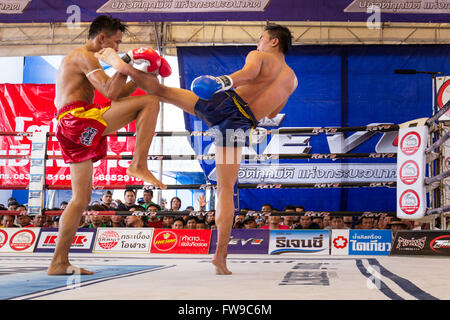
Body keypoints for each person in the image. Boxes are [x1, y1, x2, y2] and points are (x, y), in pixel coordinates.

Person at [96, 24, 297, 275]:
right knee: (225, 190)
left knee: (160, 91)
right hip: (241, 124)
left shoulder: (260, 56)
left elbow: (247, 73)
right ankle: (220, 257)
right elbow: (273, 112)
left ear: (274, 42)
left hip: (225, 103)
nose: (258, 43)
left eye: (262, 39)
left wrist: (221, 81)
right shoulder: (292, 80)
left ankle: (122, 64)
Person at [47, 15, 168, 276]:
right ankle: (138, 164)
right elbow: (111, 92)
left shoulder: (84, 59)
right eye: (116, 42)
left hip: (71, 124)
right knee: (150, 102)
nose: (117, 47)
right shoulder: (83, 55)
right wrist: (125, 61)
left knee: (80, 199)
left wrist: (143, 73)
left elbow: (119, 92)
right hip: (76, 119)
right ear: (102, 38)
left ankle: (58, 262)